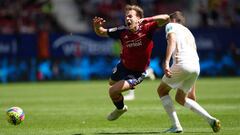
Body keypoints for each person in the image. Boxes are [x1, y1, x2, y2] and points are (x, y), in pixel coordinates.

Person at [93, 4, 169, 121]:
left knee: (113, 91)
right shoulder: (122, 31)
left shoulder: (147, 28)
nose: (127, 19)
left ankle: (121, 108)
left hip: (137, 72)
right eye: (126, 17)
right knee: (111, 83)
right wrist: (96, 27)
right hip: (123, 65)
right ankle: (126, 88)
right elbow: (101, 32)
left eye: (130, 16)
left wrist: (148, 19)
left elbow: (166, 18)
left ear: (139, 18)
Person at [157, 11, 221, 133]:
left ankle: (176, 126)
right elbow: (194, 53)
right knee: (181, 99)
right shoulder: (189, 32)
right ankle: (211, 120)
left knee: (161, 90)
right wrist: (193, 87)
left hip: (182, 63)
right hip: (195, 66)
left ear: (173, 20)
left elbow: (171, 39)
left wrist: (166, 62)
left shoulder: (171, 25)